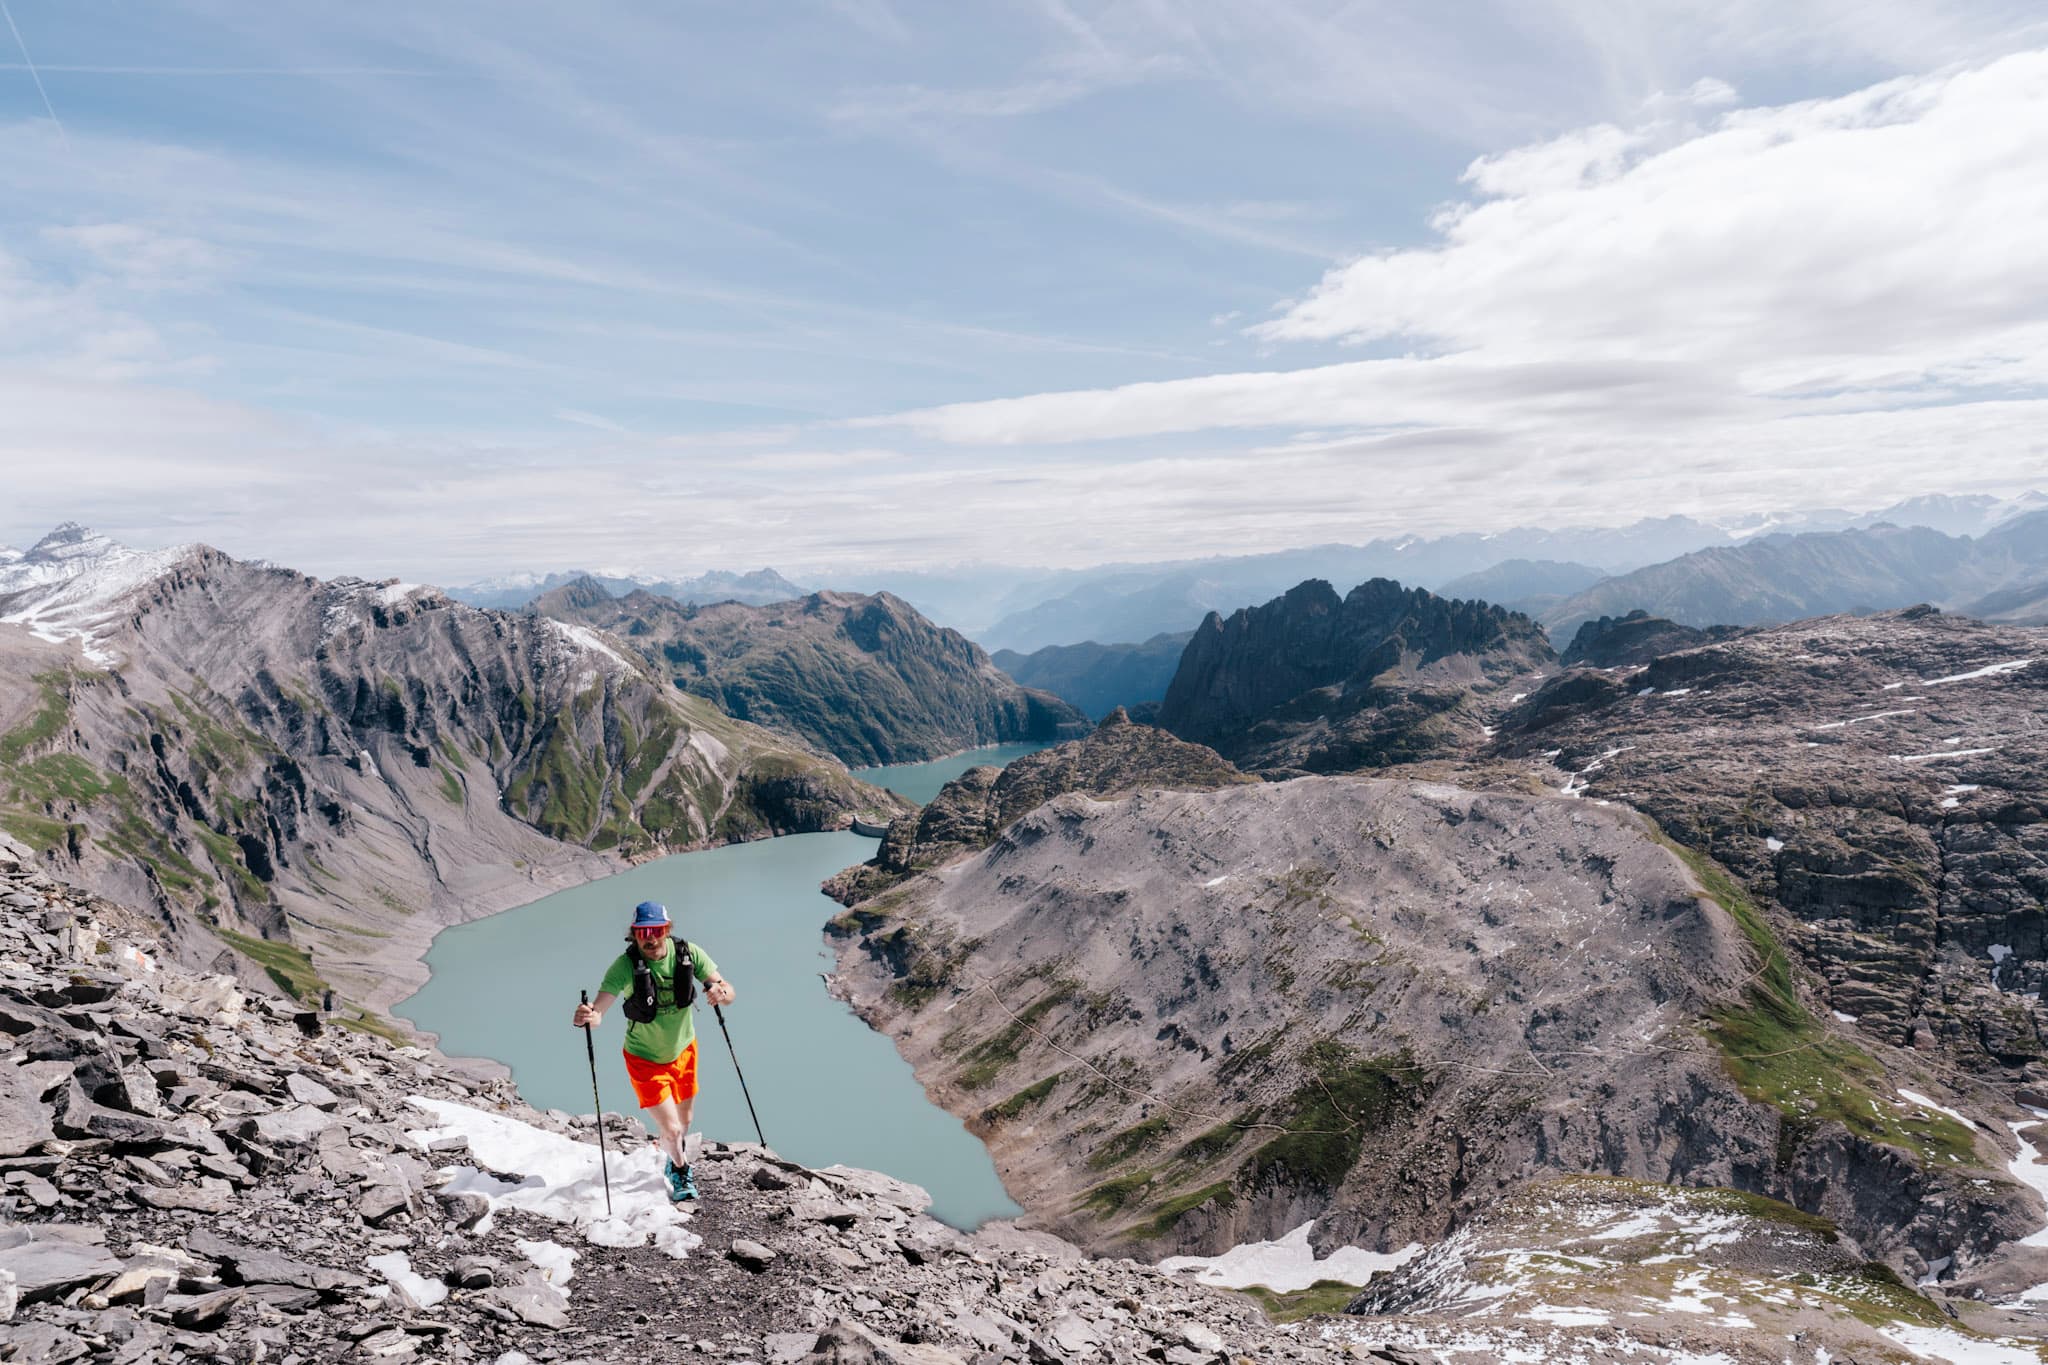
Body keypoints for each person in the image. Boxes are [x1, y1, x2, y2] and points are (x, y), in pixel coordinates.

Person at [569, 900, 736, 1202]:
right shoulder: (625, 966)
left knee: (685, 1121)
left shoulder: (687, 953)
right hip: (644, 1059)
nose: (650, 938)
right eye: (642, 932)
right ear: (634, 934)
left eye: (656, 930)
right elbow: (601, 1008)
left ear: (667, 929)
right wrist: (589, 1016)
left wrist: (719, 992)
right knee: (672, 1130)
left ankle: (672, 1153)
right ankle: (680, 1171)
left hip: (684, 1051)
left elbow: (728, 992)